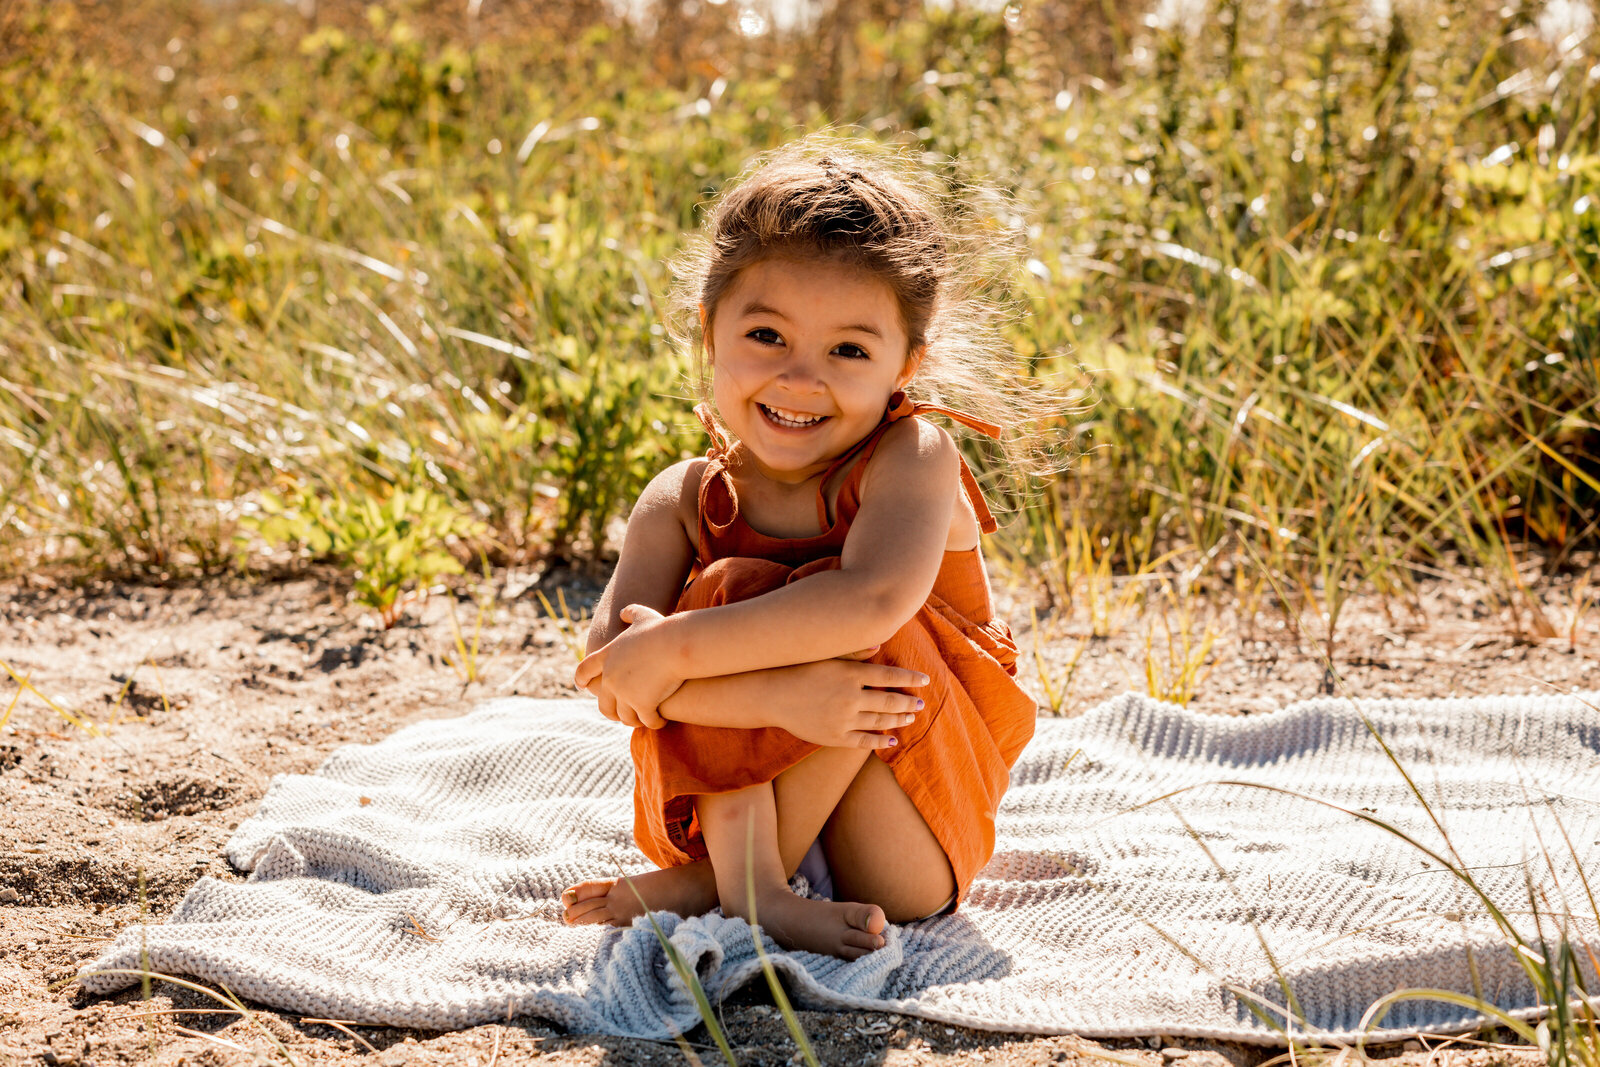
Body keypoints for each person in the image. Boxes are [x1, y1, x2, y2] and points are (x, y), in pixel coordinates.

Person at [560, 138, 1053, 960]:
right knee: (720, 591)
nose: (800, 378)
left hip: (905, 822)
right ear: (708, 330)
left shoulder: (913, 458)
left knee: (822, 606)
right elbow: (616, 675)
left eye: (849, 350)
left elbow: (866, 606)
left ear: (908, 364)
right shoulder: (685, 498)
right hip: (714, 822)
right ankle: (746, 887)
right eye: (766, 335)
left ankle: (727, 890)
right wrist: (783, 701)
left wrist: (682, 652)